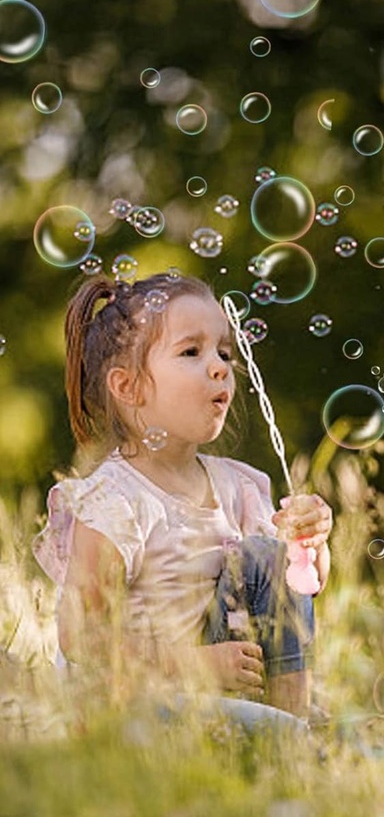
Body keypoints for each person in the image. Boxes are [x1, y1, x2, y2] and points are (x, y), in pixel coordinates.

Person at [32, 271, 334, 728]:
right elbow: (81, 637)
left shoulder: (238, 487)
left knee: (268, 555)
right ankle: (293, 740)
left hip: (211, 700)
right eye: (191, 352)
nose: (219, 367)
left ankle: (294, 725)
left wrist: (310, 546)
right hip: (131, 707)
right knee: (259, 732)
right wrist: (196, 665)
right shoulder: (113, 501)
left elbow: (298, 589)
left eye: (224, 352)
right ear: (127, 386)